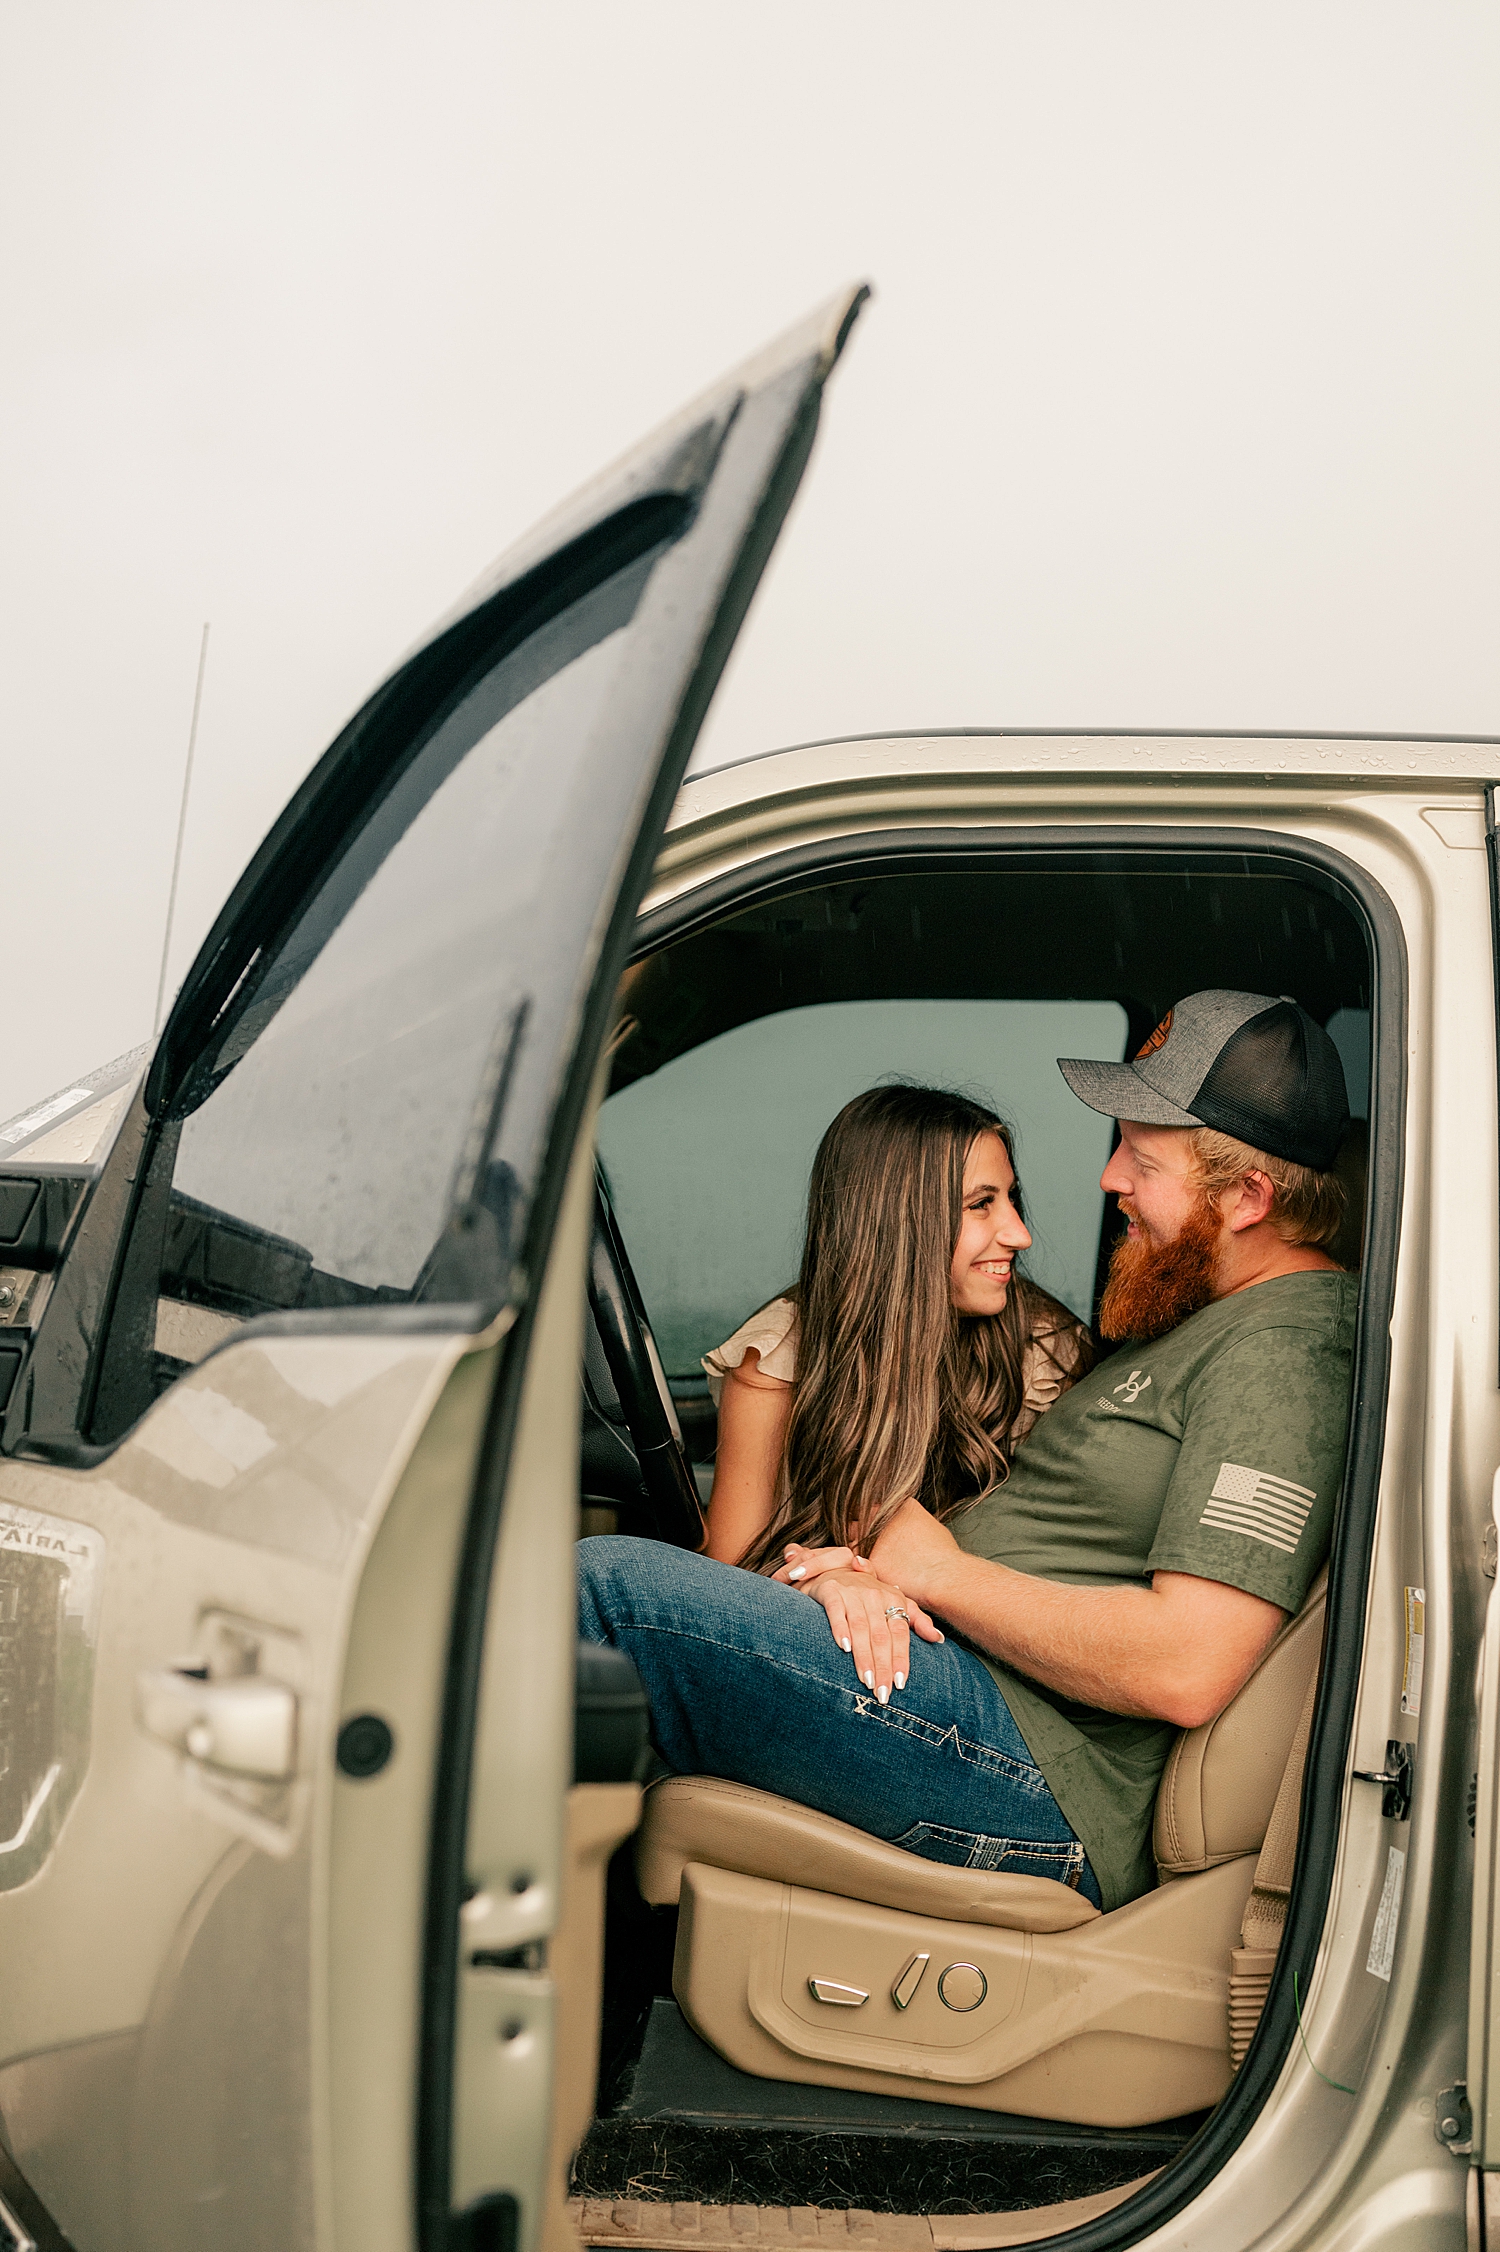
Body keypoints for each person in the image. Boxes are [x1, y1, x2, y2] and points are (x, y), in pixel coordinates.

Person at [578, 990, 1357, 1912]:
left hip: (1036, 1763)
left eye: (1140, 1161)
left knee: (598, 1590)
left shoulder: (1283, 1348)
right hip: (965, 1686)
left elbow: (1188, 1666)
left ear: (1247, 1198)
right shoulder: (1192, 1329)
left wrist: (934, 1573)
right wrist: (856, 1578)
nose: (1109, 1183)